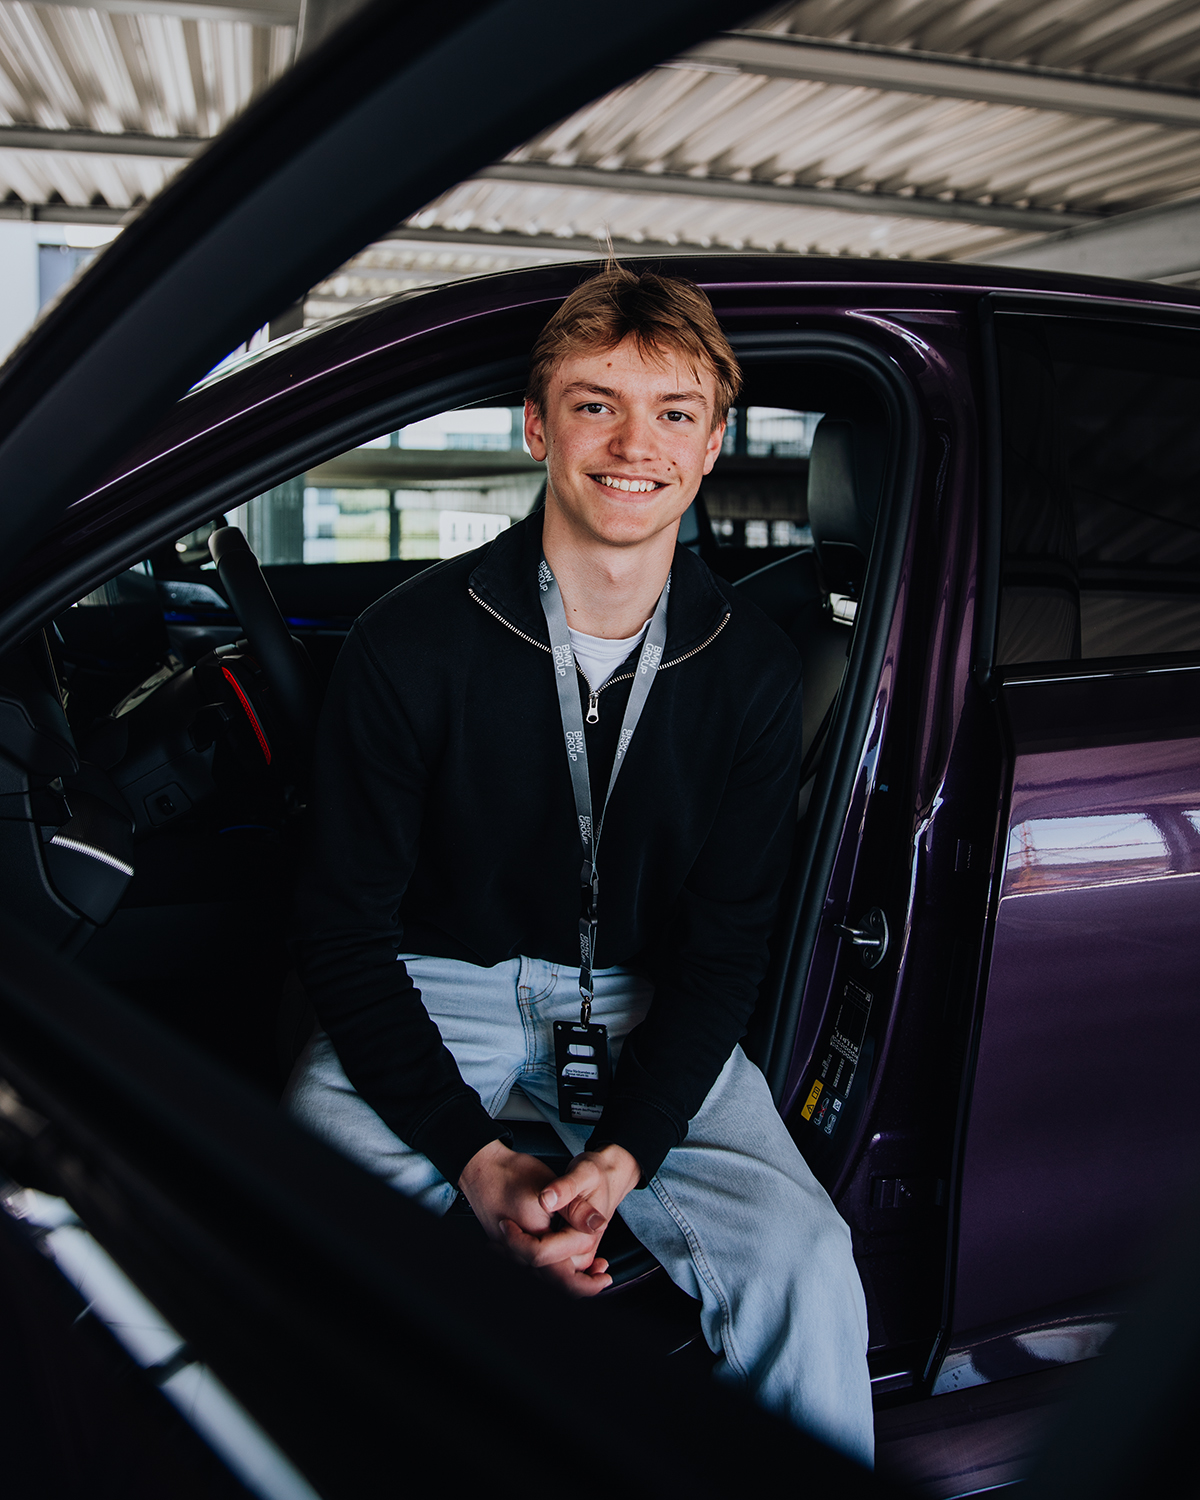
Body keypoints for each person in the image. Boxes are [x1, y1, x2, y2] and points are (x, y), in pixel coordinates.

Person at [287, 264, 873, 1464]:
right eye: (595, 401)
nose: (632, 444)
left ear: (714, 444)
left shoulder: (754, 671)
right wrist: (479, 1159)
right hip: (437, 979)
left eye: (672, 412)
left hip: (642, 997)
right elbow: (344, 932)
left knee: (807, 1260)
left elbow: (725, 952)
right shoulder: (412, 640)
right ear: (536, 422)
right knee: (283, 1224)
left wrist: (621, 1158)